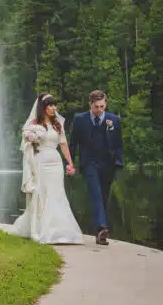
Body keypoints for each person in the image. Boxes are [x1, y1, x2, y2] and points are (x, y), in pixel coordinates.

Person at [9, 92, 84, 245]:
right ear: (43, 108)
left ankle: (61, 230)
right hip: (40, 162)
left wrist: (70, 163)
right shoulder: (34, 125)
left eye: (54, 105)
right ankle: (42, 229)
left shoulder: (58, 124)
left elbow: (63, 144)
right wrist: (33, 137)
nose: (53, 108)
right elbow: (28, 145)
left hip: (56, 162)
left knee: (57, 193)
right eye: (50, 105)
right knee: (43, 193)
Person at [69, 89, 125, 246]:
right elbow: (73, 143)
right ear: (90, 105)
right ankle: (102, 226)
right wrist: (70, 162)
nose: (100, 110)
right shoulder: (80, 119)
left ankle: (99, 233)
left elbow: (118, 143)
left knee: (104, 195)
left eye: (102, 106)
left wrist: (119, 160)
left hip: (108, 163)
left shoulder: (114, 120)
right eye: (96, 107)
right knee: (96, 193)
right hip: (89, 162)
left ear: (105, 104)